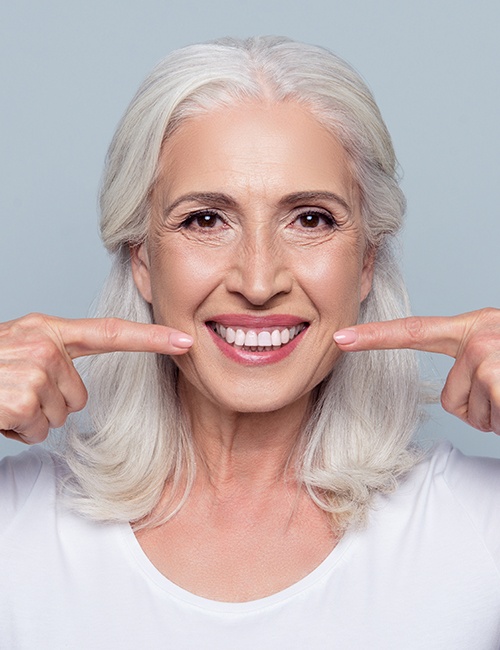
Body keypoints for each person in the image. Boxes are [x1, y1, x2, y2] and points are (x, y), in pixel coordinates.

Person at [1, 36, 499, 648]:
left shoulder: (480, 530)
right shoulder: (15, 529)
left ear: (366, 262)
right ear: (142, 261)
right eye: (205, 220)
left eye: (311, 219)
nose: (259, 282)